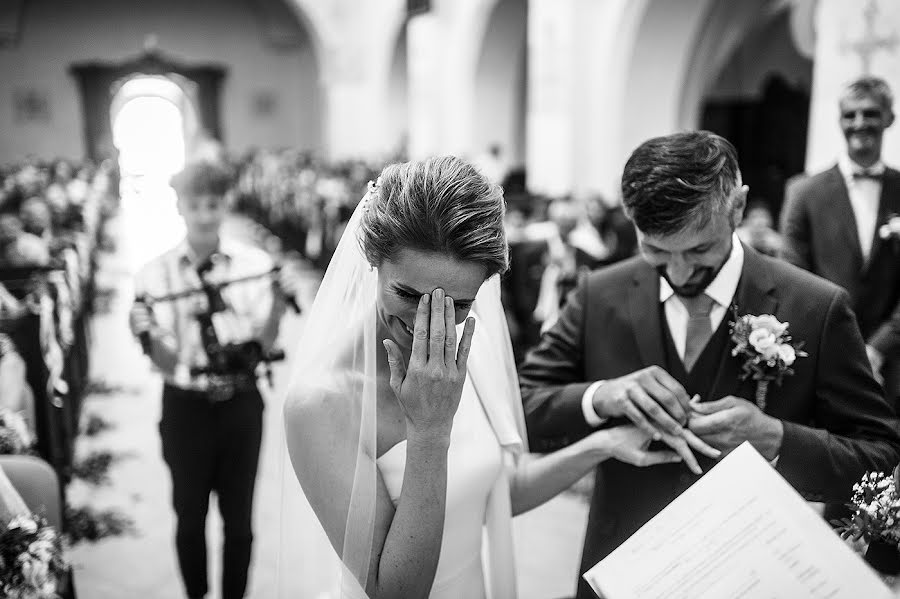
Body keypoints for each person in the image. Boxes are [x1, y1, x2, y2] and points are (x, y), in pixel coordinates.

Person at [281, 156, 711, 599]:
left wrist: (601, 446)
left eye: (459, 304)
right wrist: (430, 431)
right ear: (373, 259)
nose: (429, 324)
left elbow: (496, 492)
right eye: (407, 294)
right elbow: (395, 592)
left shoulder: (474, 342)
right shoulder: (321, 402)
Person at [518, 131, 900, 599]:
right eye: (656, 250)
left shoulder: (816, 308)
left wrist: (778, 439)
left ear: (737, 207)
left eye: (699, 250)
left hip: (758, 578)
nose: (679, 274)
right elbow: (522, 409)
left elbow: (880, 458)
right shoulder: (600, 293)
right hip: (617, 573)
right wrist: (602, 397)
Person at [128, 160, 300, 599]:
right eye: (195, 205)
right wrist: (146, 334)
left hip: (242, 405)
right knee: (189, 514)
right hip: (186, 407)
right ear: (180, 207)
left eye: (213, 204)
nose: (205, 215)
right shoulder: (154, 274)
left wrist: (278, 306)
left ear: (225, 205)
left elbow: (264, 338)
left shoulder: (255, 264)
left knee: (239, 519)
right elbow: (167, 364)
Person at [780, 76, 900, 410]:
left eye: (870, 113)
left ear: (889, 118)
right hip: (823, 358)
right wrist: (841, 349)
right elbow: (793, 278)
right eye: (850, 115)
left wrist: (877, 348)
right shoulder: (802, 192)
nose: (859, 123)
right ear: (839, 121)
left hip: (893, 365)